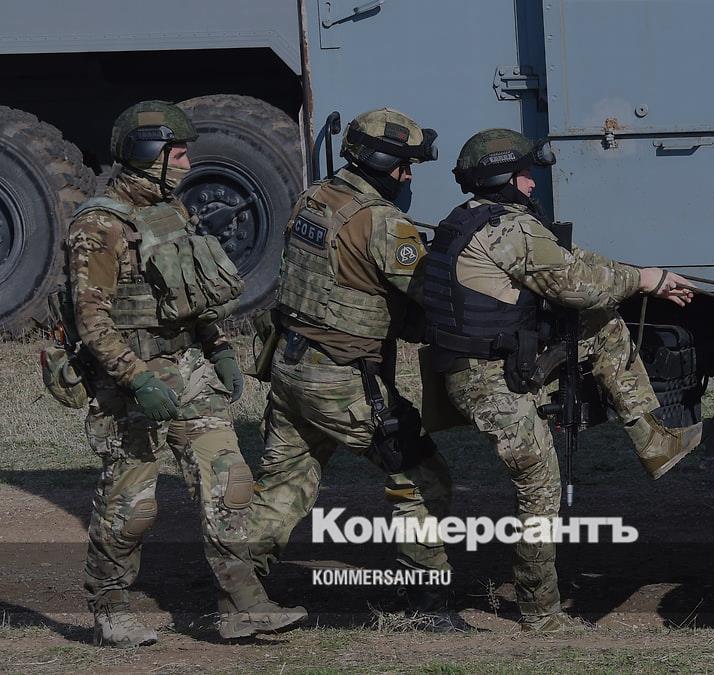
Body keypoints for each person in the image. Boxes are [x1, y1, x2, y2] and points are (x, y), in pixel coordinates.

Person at [421, 128, 701, 632]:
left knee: (603, 326)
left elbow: (576, 263)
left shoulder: (468, 219)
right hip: (488, 382)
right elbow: (578, 286)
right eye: (525, 173)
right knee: (539, 483)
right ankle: (541, 612)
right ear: (503, 178)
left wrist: (645, 275)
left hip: (490, 367)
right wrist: (643, 281)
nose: (532, 183)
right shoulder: (509, 230)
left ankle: (653, 439)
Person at [67, 100, 305, 646]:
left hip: (189, 371)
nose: (187, 162)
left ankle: (243, 605)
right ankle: (110, 609)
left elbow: (189, 295)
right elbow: (91, 320)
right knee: (131, 506)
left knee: (230, 483)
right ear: (146, 153)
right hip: (129, 385)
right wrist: (136, 378)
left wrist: (218, 347)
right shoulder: (98, 226)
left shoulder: (171, 211)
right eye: (177, 153)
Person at [243, 108, 468, 631]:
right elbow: (432, 295)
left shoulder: (315, 198)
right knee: (423, 480)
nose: (408, 178)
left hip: (291, 367)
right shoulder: (384, 223)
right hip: (343, 379)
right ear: (384, 163)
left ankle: (237, 587)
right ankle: (427, 605)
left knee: (283, 486)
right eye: (405, 166)